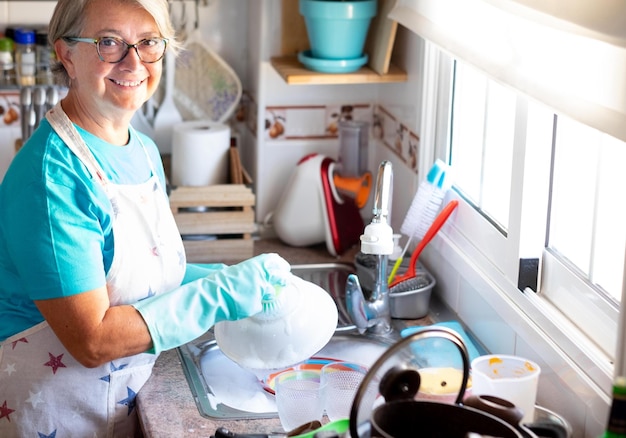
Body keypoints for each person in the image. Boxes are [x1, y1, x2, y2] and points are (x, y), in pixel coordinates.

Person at [0, 0, 291, 436]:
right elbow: (92, 340)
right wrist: (218, 295)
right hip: (53, 417)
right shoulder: (52, 177)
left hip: (117, 405)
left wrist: (227, 278)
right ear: (65, 54)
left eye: (148, 41)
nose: (134, 61)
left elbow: (140, 274)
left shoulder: (143, 149)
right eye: (110, 42)